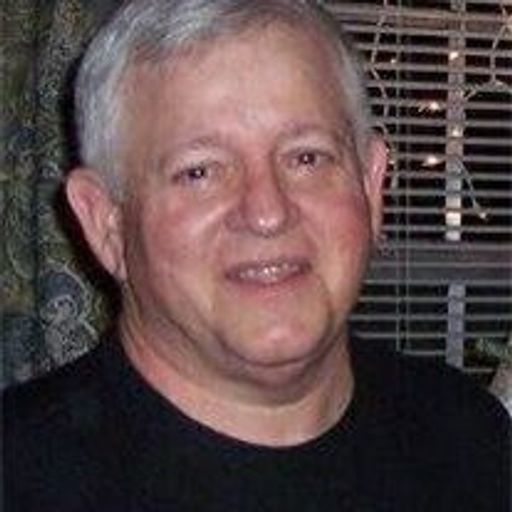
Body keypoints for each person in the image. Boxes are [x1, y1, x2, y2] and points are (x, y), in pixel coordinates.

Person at [4, 1, 509, 510]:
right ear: (105, 223)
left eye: (307, 157)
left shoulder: (469, 441)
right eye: (199, 172)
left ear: (371, 187)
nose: (267, 213)